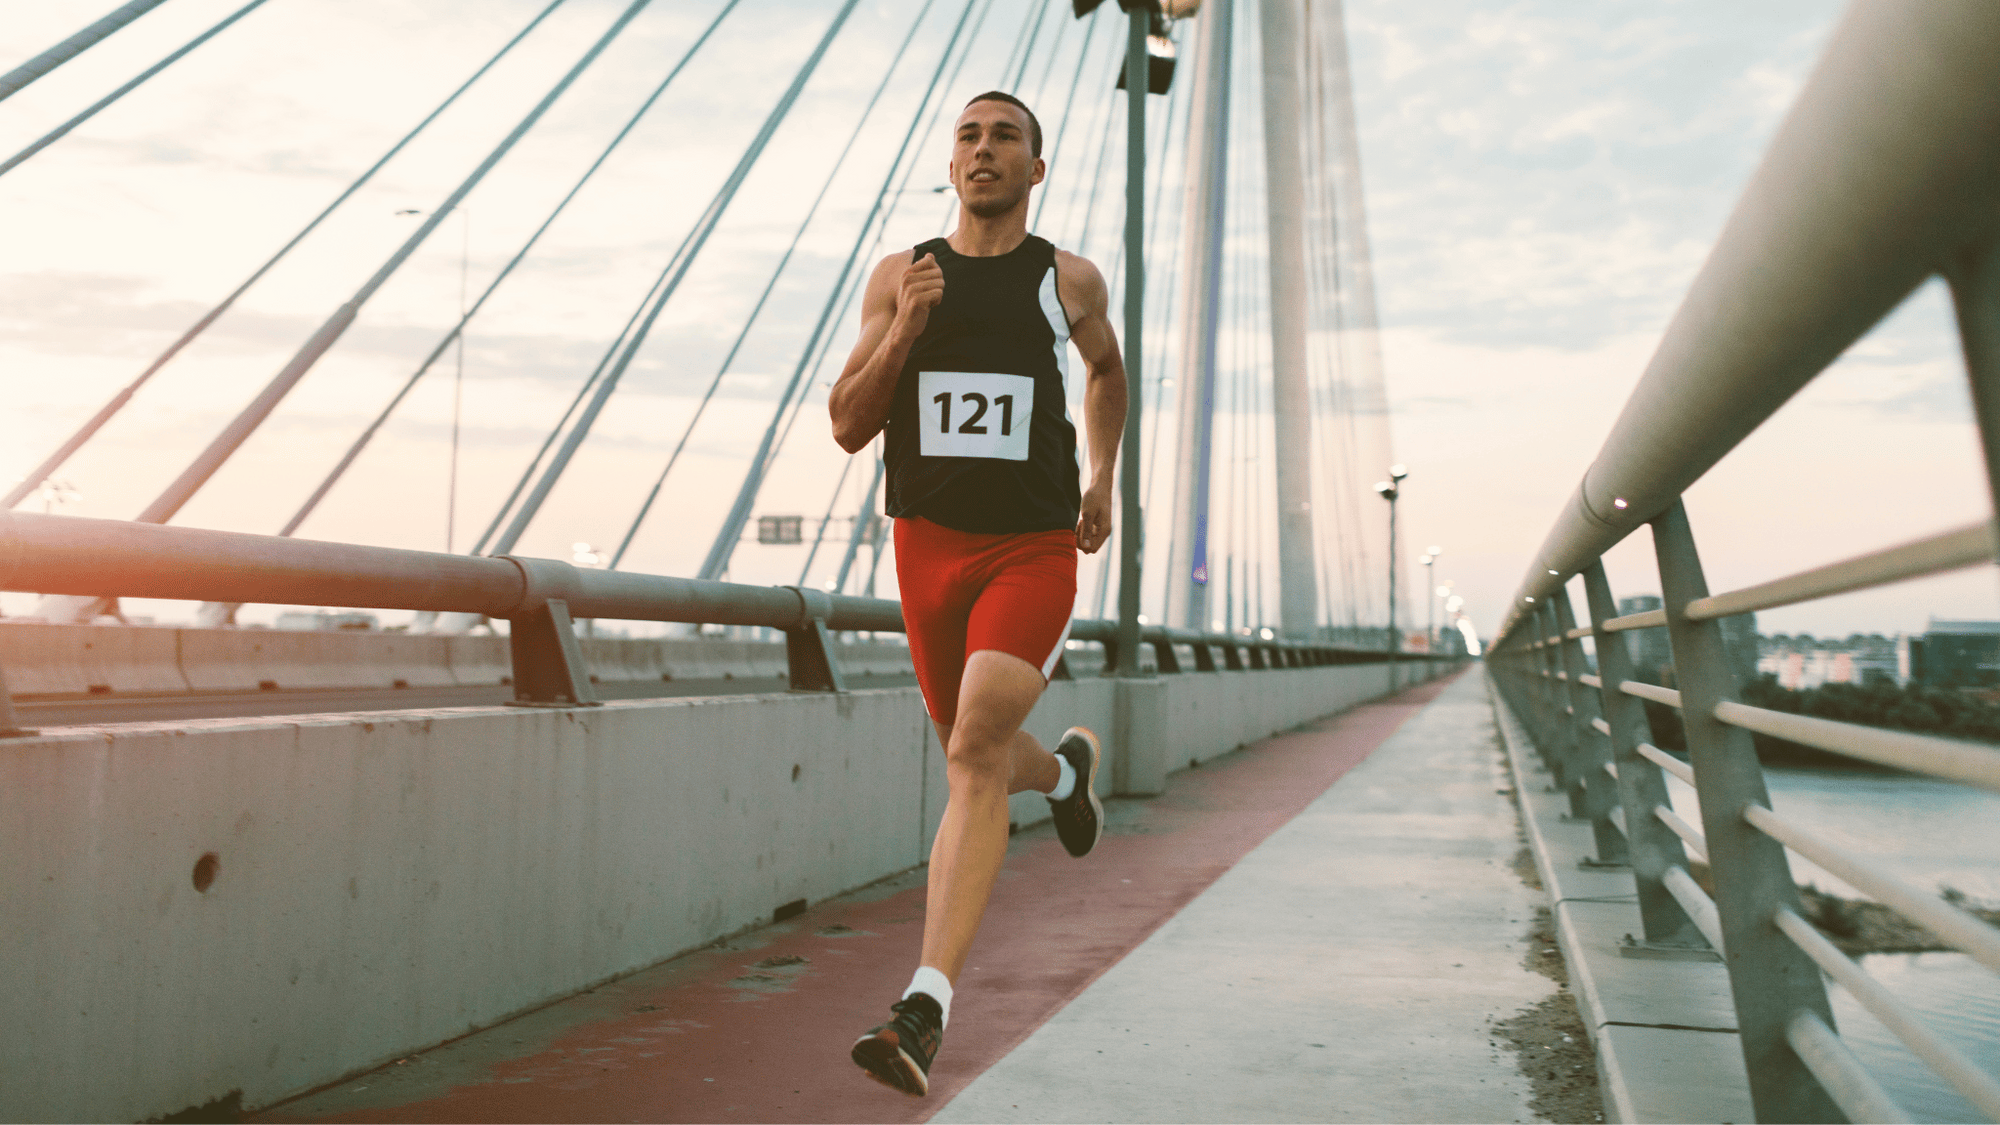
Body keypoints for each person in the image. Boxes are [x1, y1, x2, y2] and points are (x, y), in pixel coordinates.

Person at [826, 89, 1128, 1096]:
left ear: (1034, 171)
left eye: (1005, 137)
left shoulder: (1066, 280)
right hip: (926, 550)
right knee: (985, 753)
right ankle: (1065, 778)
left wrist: (1101, 476)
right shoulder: (900, 277)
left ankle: (923, 1007)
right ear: (950, 166)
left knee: (967, 751)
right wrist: (906, 330)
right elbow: (846, 423)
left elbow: (1105, 372)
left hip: (1029, 549)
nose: (985, 149)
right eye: (969, 136)